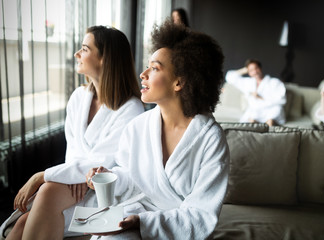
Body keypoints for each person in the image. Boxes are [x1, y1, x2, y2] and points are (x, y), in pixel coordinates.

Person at [86, 19, 229, 240]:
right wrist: (111, 176)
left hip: (178, 229)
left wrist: (144, 223)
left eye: (154, 68)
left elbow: (201, 214)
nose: (143, 74)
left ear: (178, 82)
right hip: (134, 215)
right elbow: (133, 178)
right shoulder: (138, 127)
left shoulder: (210, 139)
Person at [1, 26, 144, 240]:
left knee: (44, 195)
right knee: (22, 223)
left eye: (85, 49)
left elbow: (104, 161)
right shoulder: (79, 97)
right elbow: (74, 151)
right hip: (72, 185)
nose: (77, 53)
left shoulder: (130, 109)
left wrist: (42, 176)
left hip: (103, 193)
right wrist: (71, 177)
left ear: (105, 59)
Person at [225, 59, 287, 126]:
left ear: (260, 68)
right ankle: (256, 125)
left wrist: (261, 98)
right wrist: (244, 70)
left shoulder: (274, 82)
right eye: (251, 70)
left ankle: (269, 125)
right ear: (248, 72)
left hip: (271, 109)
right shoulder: (248, 83)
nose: (255, 72)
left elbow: (282, 99)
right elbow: (229, 77)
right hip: (256, 110)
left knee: (275, 113)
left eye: (256, 68)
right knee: (251, 118)